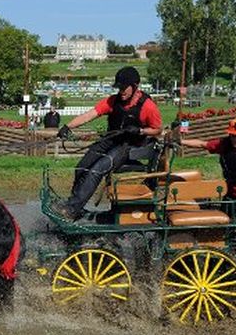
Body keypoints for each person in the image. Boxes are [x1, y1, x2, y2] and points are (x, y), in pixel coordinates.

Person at [54, 66, 163, 220]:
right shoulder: (112, 101)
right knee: (82, 167)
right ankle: (74, 204)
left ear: (135, 86)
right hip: (111, 140)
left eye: (124, 88)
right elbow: (90, 115)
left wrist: (140, 131)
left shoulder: (148, 107)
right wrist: (67, 126)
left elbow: (158, 130)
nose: (121, 91)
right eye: (119, 87)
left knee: (97, 170)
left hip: (130, 146)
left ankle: (72, 209)